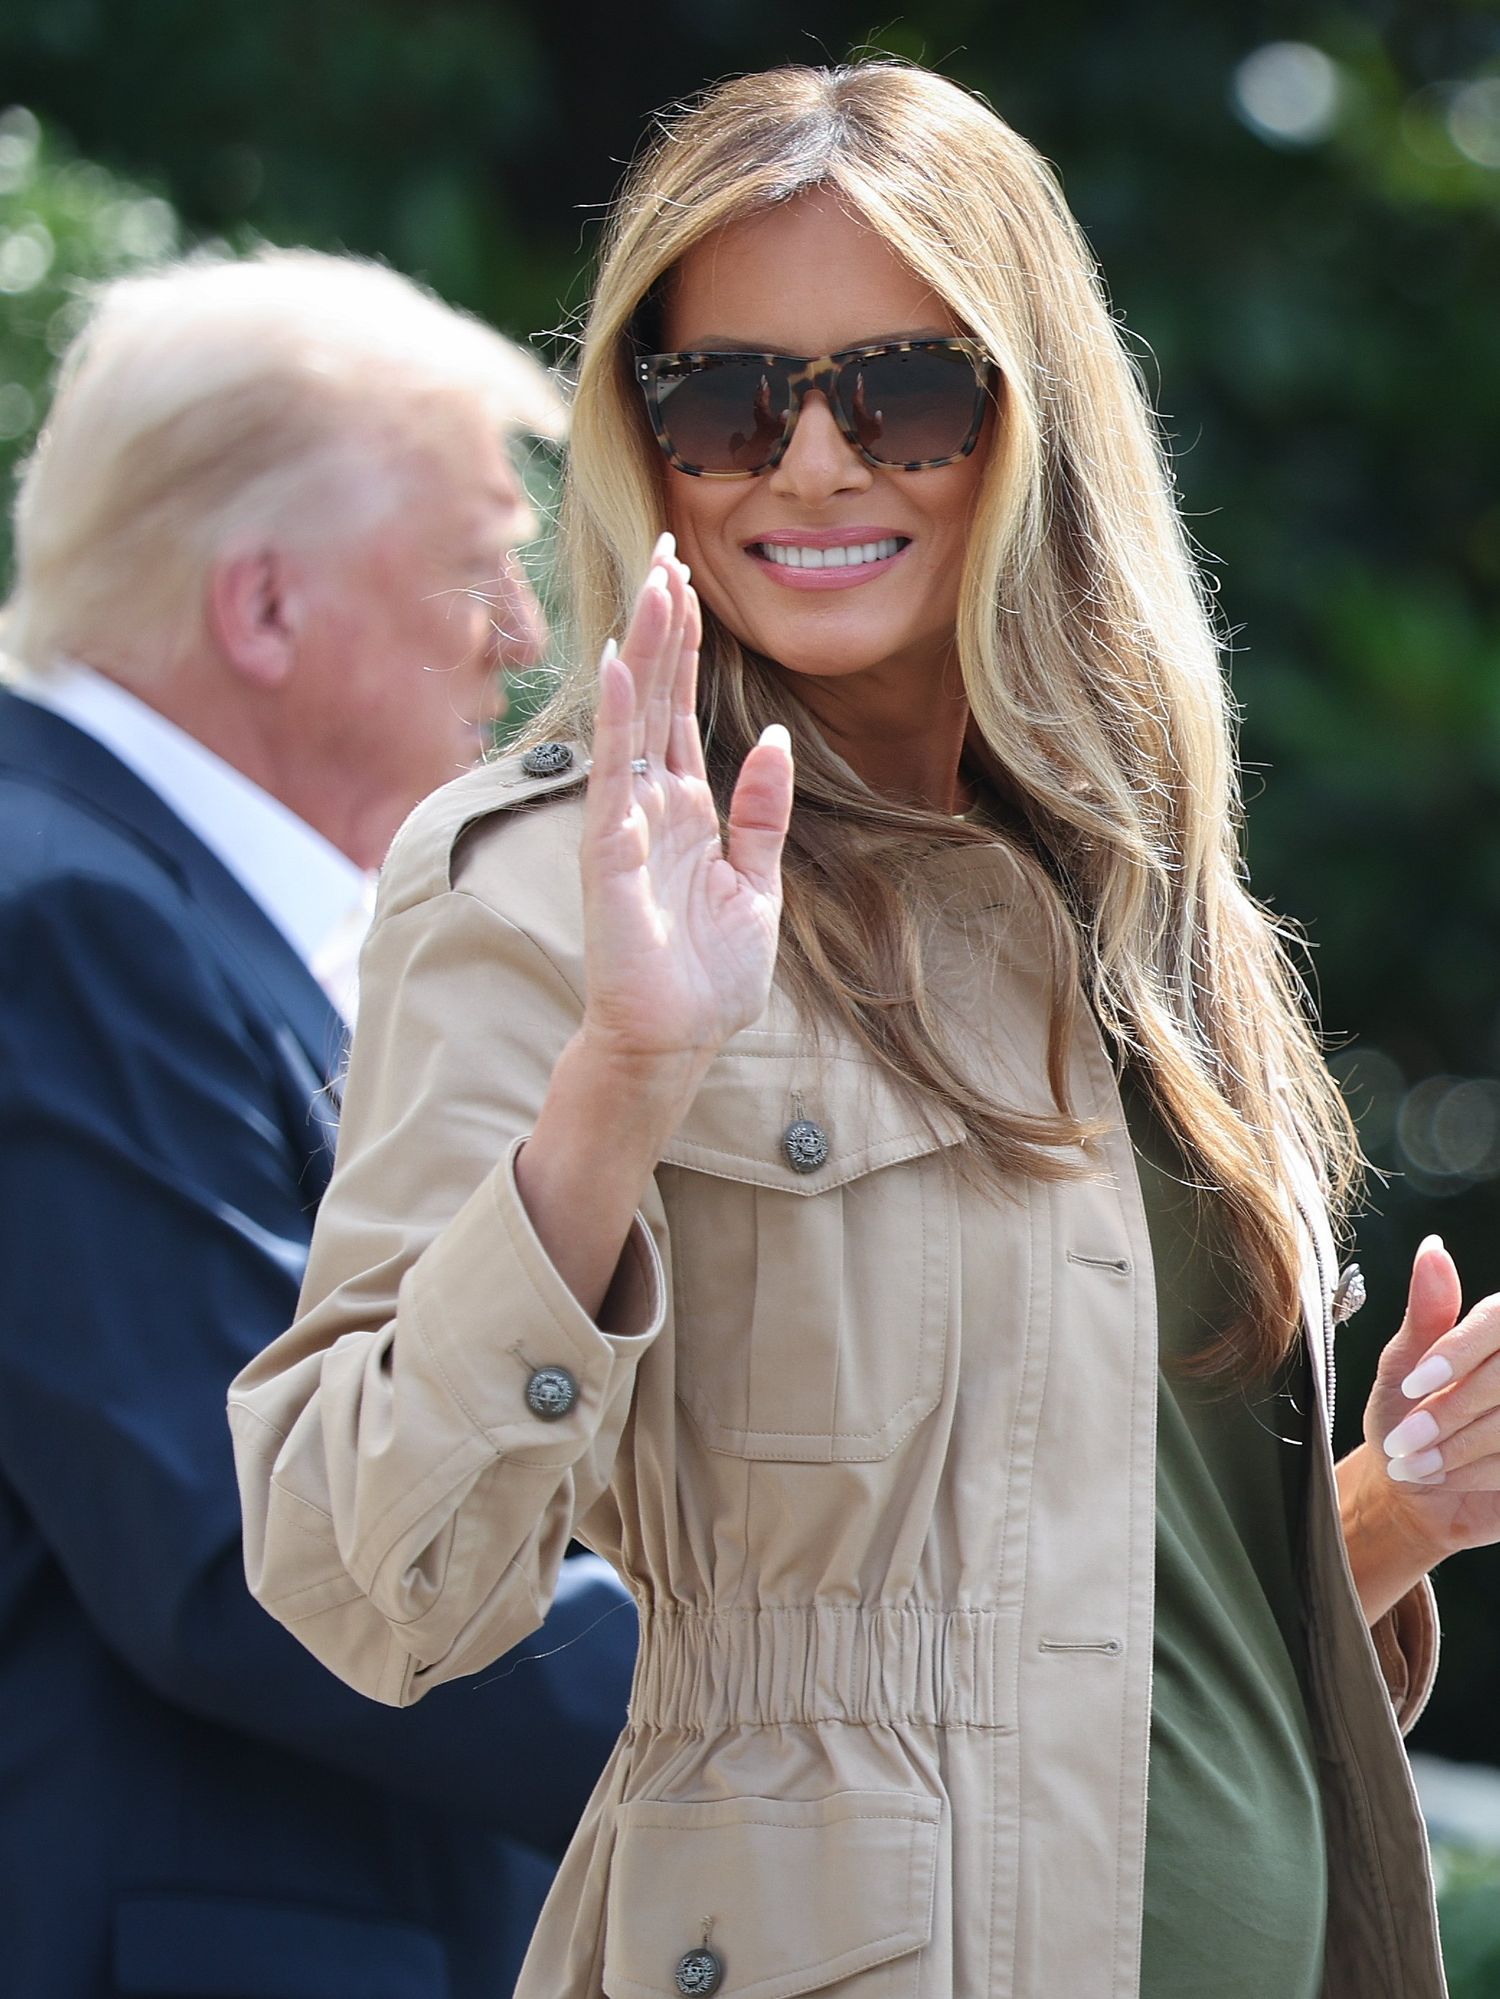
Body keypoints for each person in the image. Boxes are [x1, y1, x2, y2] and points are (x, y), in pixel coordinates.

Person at [229, 68, 1486, 1997]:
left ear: (1033, 424)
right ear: (647, 447)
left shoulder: (1152, 899)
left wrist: (1408, 1501)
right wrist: (623, 1080)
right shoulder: (556, 878)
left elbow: (1080, 1618)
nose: (811, 464)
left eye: (903, 392)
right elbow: (364, 1583)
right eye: (725, 402)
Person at [0, 248, 636, 1999]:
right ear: (264, 609)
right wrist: (803, 1741)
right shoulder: (63, 922)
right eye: (475, 566)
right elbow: (270, 1553)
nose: (524, 638)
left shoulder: (134, 905)